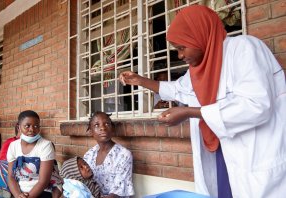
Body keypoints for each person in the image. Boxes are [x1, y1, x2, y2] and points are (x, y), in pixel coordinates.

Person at [119, 5, 286, 198]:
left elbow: (257, 106)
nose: (180, 56)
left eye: (182, 48)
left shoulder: (244, 49)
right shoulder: (199, 69)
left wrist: (191, 112)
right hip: (221, 152)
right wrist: (140, 80)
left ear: (199, 36)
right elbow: (178, 89)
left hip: (254, 155)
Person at [83, 111, 134, 198]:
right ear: (91, 131)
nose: (103, 128)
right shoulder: (89, 155)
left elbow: (117, 191)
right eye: (96, 125)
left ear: (112, 129)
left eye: (107, 124)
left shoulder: (123, 155)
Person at [7, 110, 55, 198]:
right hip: (20, 191)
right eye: (27, 126)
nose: (32, 130)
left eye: (36, 126)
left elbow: (43, 181)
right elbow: (11, 176)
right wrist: (17, 195)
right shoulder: (13, 146)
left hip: (43, 191)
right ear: (19, 127)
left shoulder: (46, 145)